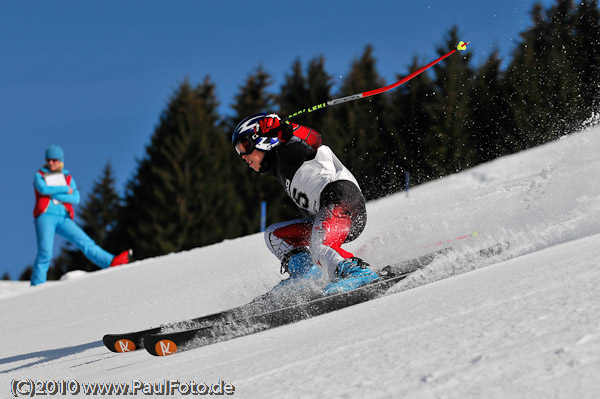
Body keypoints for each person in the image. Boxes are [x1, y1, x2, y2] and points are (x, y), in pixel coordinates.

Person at [232, 113, 379, 295]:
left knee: (319, 246)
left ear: (261, 139)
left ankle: (358, 273)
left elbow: (314, 139)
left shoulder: (287, 151)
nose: (243, 156)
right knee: (274, 235)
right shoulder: (280, 168)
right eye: (238, 153)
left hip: (344, 201)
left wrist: (284, 130)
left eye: (244, 146)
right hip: (328, 218)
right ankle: (307, 274)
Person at [31, 145, 131, 286]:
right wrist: (65, 190)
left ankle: (110, 262)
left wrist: (54, 193)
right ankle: (37, 285)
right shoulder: (39, 175)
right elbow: (42, 189)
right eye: (49, 160)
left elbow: (76, 199)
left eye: (55, 160)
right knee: (45, 253)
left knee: (85, 242)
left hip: (63, 217)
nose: (51, 163)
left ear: (60, 160)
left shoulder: (67, 176)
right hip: (45, 216)